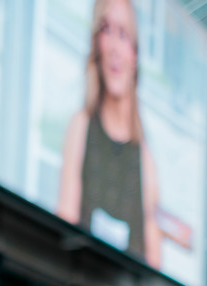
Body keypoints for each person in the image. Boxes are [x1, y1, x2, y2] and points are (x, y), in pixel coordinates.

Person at [57, 0, 161, 269]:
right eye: (106, 30)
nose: (115, 47)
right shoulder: (80, 127)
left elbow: (155, 263)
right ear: (96, 43)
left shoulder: (146, 160)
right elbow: (63, 222)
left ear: (135, 54)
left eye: (124, 34)